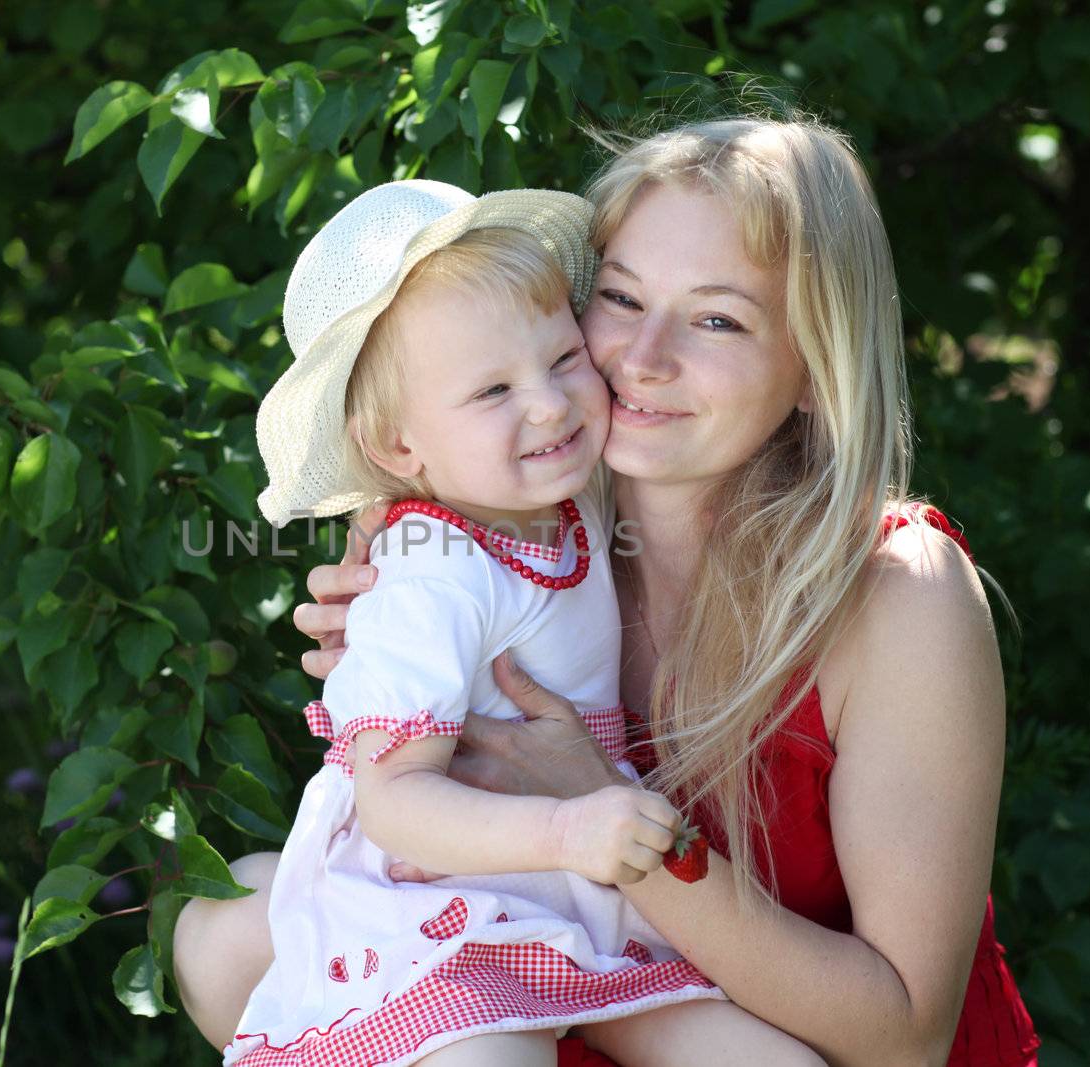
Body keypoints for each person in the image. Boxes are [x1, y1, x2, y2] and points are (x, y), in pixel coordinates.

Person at [178, 117, 1041, 1067]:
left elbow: (905, 1038)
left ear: (813, 367)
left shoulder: (897, 592)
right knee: (237, 926)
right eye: (622, 298)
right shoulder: (525, 522)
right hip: (564, 991)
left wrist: (594, 806)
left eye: (717, 318)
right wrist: (388, 624)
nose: (642, 356)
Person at [225, 178, 824, 1067]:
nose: (548, 404)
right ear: (399, 448)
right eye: (493, 390)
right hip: (441, 908)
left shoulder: (568, 489)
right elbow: (392, 801)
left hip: (582, 902)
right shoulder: (432, 570)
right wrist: (567, 830)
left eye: (562, 358)